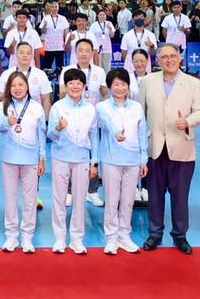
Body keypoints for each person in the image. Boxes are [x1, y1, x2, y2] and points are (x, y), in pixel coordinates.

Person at [138, 43, 200, 253]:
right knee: (155, 195)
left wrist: (188, 121)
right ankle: (155, 234)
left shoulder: (194, 83)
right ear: (158, 60)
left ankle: (180, 235)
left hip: (182, 146)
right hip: (155, 147)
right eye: (164, 57)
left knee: (180, 196)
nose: (169, 60)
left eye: (173, 56)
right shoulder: (147, 81)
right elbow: (141, 114)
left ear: (180, 58)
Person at [94, 68, 147, 256]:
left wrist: (143, 159)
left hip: (133, 160)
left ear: (128, 86)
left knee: (128, 200)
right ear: (109, 86)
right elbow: (105, 123)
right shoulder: (102, 107)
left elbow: (142, 133)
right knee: (111, 200)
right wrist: (116, 132)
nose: (120, 88)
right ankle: (111, 237)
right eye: (116, 84)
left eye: (123, 84)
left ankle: (124, 235)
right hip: (111, 160)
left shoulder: (136, 107)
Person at [47, 68, 98, 255]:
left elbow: (94, 136)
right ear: (66, 86)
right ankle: (60, 238)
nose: (75, 86)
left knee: (79, 199)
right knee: (59, 198)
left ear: (84, 86)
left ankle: (77, 239)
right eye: (71, 83)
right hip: (61, 157)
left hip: (82, 158)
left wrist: (94, 162)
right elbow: (50, 135)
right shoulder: (58, 107)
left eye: (79, 83)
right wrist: (58, 127)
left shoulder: (90, 109)